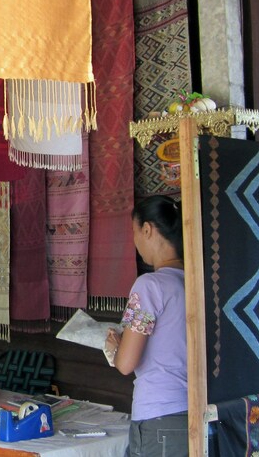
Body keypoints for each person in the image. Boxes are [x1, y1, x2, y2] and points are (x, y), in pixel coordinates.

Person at [104, 195, 188, 457]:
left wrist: (116, 347)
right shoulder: (195, 283)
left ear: (148, 230)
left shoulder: (150, 286)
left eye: (134, 232)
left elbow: (126, 363)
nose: (135, 242)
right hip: (192, 415)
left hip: (158, 417)